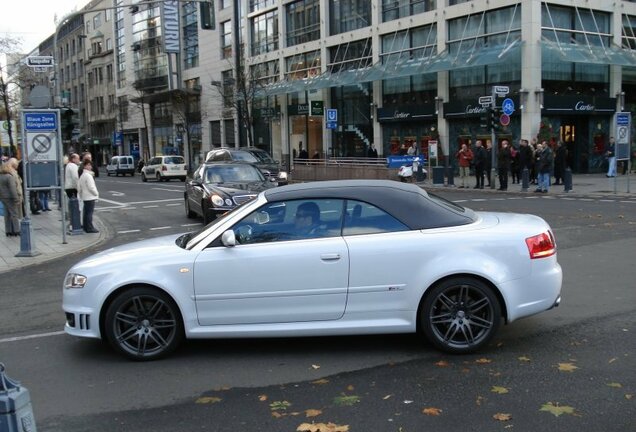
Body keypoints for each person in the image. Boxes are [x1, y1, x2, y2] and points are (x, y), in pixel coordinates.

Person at [0, 158, 24, 237]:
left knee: (7, 214)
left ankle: (8, 231)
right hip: (10, 198)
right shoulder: (9, 177)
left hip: (3, 197)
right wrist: (16, 198)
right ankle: (17, 230)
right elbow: (12, 188)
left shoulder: (1, 176)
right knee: (14, 214)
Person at [77, 160, 99, 233]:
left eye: (90, 165)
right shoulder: (88, 176)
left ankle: (86, 227)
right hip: (90, 197)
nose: (90, 167)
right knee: (89, 213)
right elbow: (91, 187)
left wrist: (81, 194)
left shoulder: (82, 175)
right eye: (89, 165)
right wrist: (96, 193)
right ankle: (90, 228)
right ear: (85, 166)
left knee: (86, 213)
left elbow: (79, 187)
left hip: (85, 197)